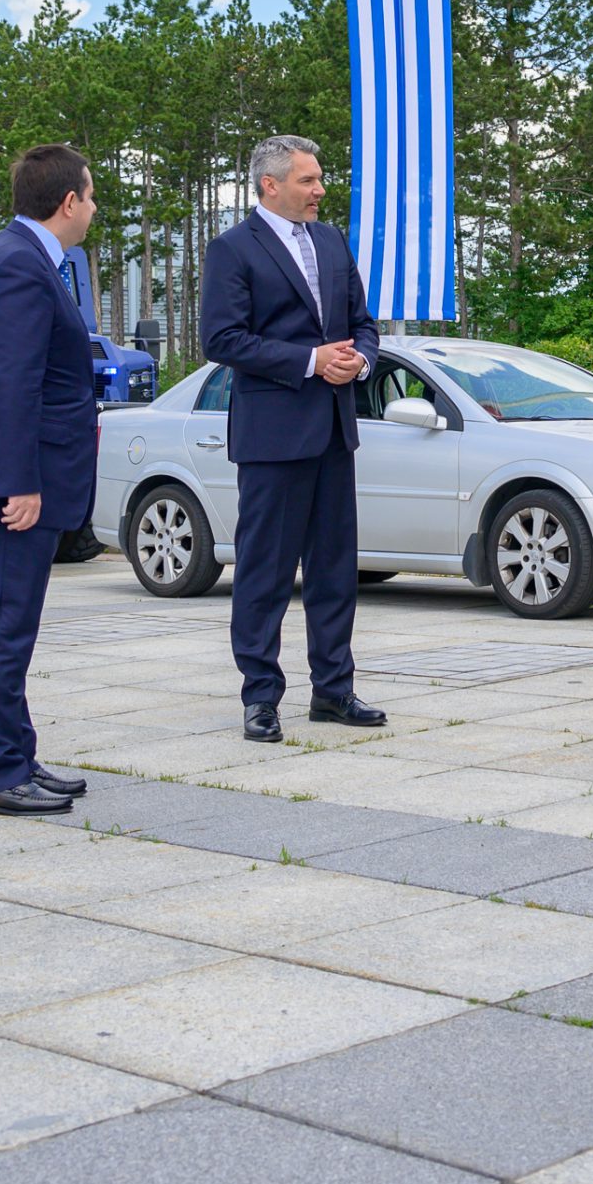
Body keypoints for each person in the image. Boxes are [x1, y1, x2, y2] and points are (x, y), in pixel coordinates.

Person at [202, 133, 384, 743]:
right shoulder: (232, 249)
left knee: (334, 571)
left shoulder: (331, 241)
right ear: (270, 185)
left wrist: (358, 360)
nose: (320, 190)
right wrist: (311, 360)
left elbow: (362, 324)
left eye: (319, 178)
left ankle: (333, 691)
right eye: (308, 180)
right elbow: (222, 339)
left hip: (333, 432)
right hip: (273, 439)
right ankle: (260, 698)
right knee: (266, 574)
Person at [0, 144, 101, 816]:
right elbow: (11, 382)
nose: (93, 208)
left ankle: (14, 755)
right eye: (90, 196)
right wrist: (19, 483)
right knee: (5, 625)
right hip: (16, 481)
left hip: (25, 470)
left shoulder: (26, 257)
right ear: (67, 202)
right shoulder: (18, 265)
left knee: (12, 622)